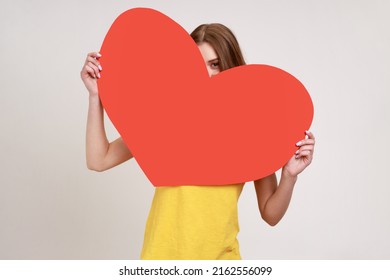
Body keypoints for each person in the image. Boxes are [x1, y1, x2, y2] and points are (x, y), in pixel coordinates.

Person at [80, 23, 315, 260]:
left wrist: (289, 176)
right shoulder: (163, 121)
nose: (206, 74)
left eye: (215, 64)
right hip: (161, 259)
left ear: (231, 66)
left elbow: (270, 214)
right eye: (197, 65)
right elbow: (99, 160)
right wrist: (95, 96)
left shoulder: (252, 131)